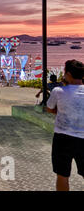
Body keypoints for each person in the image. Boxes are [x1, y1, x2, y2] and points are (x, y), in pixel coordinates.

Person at [46, 59, 84, 191]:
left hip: (63, 138)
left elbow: (50, 108)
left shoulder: (58, 91)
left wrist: (61, 111)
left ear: (68, 74)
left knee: (62, 176)